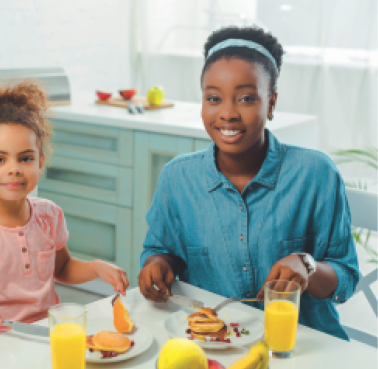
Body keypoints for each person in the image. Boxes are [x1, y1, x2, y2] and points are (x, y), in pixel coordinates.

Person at [137, 26, 359, 340]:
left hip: (301, 344)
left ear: (271, 103)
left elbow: (346, 275)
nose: (227, 113)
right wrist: (157, 265)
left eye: (246, 98)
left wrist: (307, 265)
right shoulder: (178, 178)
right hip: (214, 341)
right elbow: (160, 250)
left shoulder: (315, 173)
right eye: (213, 98)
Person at [0, 80, 129, 345]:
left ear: (40, 162)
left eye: (25, 158)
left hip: (45, 335)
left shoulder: (49, 216)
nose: (14, 169)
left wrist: (96, 267)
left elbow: (63, 268)